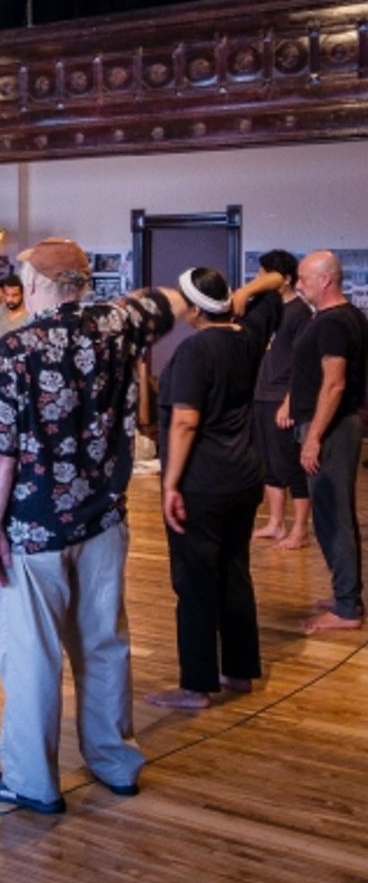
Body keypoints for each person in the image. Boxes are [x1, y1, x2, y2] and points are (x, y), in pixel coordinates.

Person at [0, 237, 185, 814]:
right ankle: (115, 762)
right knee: (103, 644)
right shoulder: (119, 325)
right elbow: (170, 299)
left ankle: (31, 780)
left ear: (39, 284)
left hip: (35, 526)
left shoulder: (17, 348)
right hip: (103, 518)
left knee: (33, 657)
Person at [147, 267, 281, 711]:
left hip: (202, 482)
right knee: (234, 572)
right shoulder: (247, 338)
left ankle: (195, 686)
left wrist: (170, 484)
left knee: (195, 582)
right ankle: (239, 670)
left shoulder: (194, 351)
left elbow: (185, 421)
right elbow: (277, 281)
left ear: (190, 310)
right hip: (244, 477)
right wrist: (240, 293)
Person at [288, 250, 367, 633]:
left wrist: (313, 437)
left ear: (326, 280)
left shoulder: (335, 323)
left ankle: (347, 608)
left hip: (331, 429)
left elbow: (334, 384)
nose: (298, 285)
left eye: (303, 278)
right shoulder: (342, 317)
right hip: (333, 426)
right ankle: (345, 593)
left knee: (332, 516)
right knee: (336, 513)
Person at [249, 251, 311, 550]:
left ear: (285, 279)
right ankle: (275, 522)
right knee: (269, 464)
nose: (260, 280)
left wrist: (290, 401)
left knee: (291, 465)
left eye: (266, 274)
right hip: (260, 393)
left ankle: (300, 530)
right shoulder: (265, 309)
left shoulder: (301, 312)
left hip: (282, 396)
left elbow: (304, 363)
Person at [0, 274, 29, 352]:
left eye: (14, 295)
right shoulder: (1, 309)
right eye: (7, 295)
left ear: (22, 294)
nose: (10, 299)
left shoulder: (29, 317)